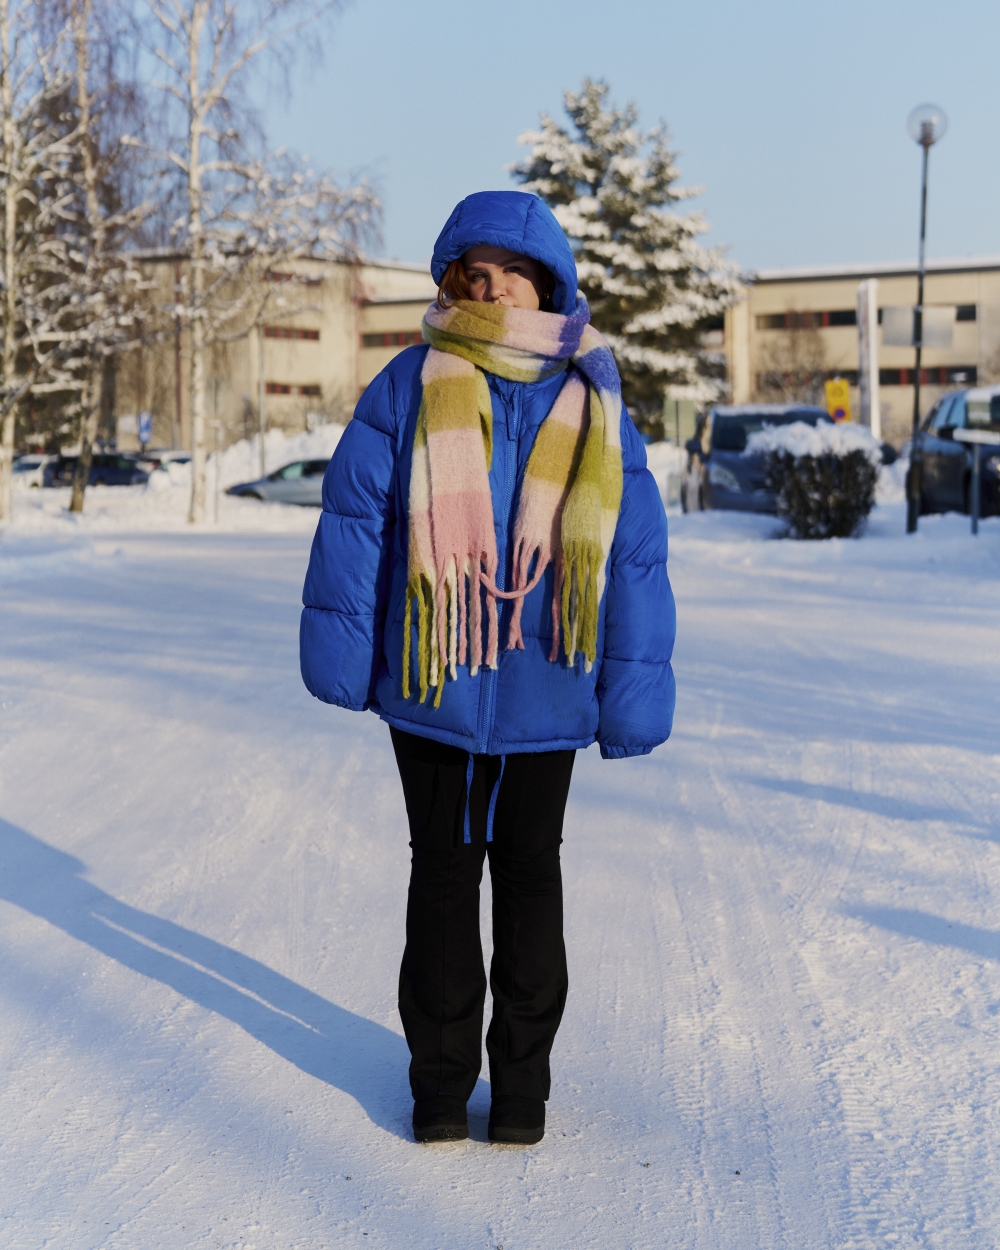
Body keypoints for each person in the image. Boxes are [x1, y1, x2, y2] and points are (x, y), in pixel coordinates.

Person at [300, 190, 676, 1146]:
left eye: (514, 272)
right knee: (442, 876)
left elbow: (630, 556)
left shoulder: (591, 395)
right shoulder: (409, 384)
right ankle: (437, 1091)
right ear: (454, 282)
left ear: (549, 282)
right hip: (433, 685)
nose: (495, 286)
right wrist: (342, 658)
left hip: (550, 681)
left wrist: (632, 696)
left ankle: (521, 1093)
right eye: (478, 272)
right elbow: (355, 524)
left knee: (530, 879)